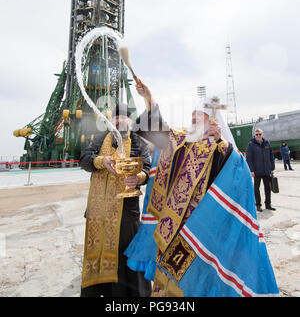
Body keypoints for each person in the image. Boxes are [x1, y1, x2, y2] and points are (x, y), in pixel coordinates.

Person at [125, 80, 279, 297]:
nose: (194, 122)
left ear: (214, 122)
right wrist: (149, 99)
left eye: (200, 118)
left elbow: (238, 175)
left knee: (191, 281)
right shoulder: (182, 140)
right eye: (192, 118)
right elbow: (161, 131)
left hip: (197, 228)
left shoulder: (223, 149)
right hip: (171, 225)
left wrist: (220, 143)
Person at [79, 103, 152, 297]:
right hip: (100, 212)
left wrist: (138, 178)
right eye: (116, 117)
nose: (120, 120)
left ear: (130, 120)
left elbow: (147, 168)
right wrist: (101, 161)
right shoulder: (100, 140)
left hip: (126, 212)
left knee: (126, 256)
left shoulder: (138, 143)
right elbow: (84, 159)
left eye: (124, 117)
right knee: (102, 254)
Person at [246, 128, 276, 212]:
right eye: (257, 134)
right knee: (256, 189)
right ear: (254, 135)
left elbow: (271, 156)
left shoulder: (267, 143)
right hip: (257, 171)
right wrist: (251, 170)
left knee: (268, 188)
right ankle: (258, 205)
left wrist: (272, 168)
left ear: (262, 134)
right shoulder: (251, 144)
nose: (258, 135)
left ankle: (268, 204)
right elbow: (249, 159)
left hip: (267, 170)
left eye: (260, 134)